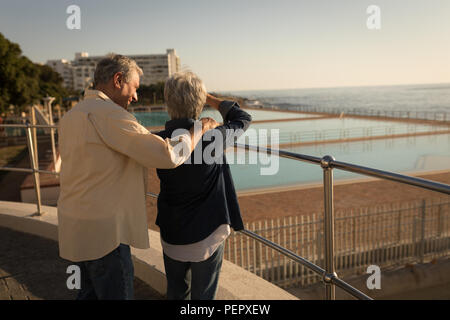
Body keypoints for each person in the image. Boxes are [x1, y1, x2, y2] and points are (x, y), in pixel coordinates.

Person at [57, 55, 217, 300]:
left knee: (87, 295)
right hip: (105, 236)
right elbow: (170, 155)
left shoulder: (72, 115)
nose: (136, 97)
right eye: (135, 88)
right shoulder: (109, 115)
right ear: (118, 80)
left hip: (75, 228)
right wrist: (199, 128)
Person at [155, 72, 252, 300]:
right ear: (199, 102)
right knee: (203, 299)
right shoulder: (212, 138)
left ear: (168, 102)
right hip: (207, 236)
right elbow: (243, 118)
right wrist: (210, 98)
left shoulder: (159, 141)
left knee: (176, 293)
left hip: (172, 234)